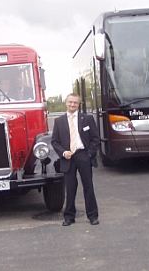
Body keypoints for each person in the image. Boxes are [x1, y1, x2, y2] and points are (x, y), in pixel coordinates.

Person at [51, 93, 100, 226]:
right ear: (66, 103)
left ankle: (93, 216)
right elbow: (54, 141)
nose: (73, 105)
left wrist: (89, 154)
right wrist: (63, 152)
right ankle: (69, 217)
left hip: (83, 155)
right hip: (68, 158)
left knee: (88, 186)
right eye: (70, 102)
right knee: (70, 188)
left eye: (75, 103)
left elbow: (95, 138)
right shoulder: (59, 121)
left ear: (79, 104)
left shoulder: (87, 119)